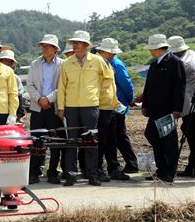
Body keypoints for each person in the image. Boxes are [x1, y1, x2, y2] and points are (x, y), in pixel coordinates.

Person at [57, 30, 114, 186]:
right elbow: (62, 86)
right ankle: (71, 175)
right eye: (73, 43)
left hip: (91, 106)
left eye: (77, 43)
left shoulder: (97, 61)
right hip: (71, 107)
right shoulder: (67, 63)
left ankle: (92, 174)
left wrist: (99, 98)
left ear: (86, 45)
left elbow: (107, 80)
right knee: (71, 142)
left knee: (91, 142)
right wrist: (61, 107)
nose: (74, 45)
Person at [142, 34, 186, 182]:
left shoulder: (175, 62)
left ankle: (170, 171)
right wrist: (145, 104)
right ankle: (161, 169)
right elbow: (148, 86)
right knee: (151, 134)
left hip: (168, 110)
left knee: (169, 141)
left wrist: (176, 109)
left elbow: (180, 87)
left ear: (156, 48)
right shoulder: (155, 64)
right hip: (154, 109)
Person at [26, 34, 64, 184]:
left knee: (55, 142)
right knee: (36, 141)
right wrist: (39, 99)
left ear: (55, 49)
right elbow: (29, 84)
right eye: (42, 46)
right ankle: (34, 172)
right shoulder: (35, 64)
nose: (44, 48)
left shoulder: (63, 65)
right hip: (37, 108)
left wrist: (48, 99)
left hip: (53, 107)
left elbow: (62, 86)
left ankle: (53, 172)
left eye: (47, 46)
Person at [97, 38, 138, 178]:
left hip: (115, 106)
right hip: (106, 106)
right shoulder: (101, 63)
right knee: (112, 137)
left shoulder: (116, 64)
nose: (113, 55)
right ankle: (124, 165)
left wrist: (130, 99)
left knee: (117, 136)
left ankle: (128, 164)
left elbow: (127, 85)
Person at [168, 36, 195, 178]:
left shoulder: (184, 63)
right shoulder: (192, 55)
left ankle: (192, 168)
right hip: (189, 105)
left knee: (192, 136)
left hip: (190, 105)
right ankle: (191, 168)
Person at [0, 50, 27, 123]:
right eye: (5, 61)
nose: (7, 64)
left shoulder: (16, 78)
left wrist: (19, 115)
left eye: (10, 62)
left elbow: (19, 97)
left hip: (12, 111)